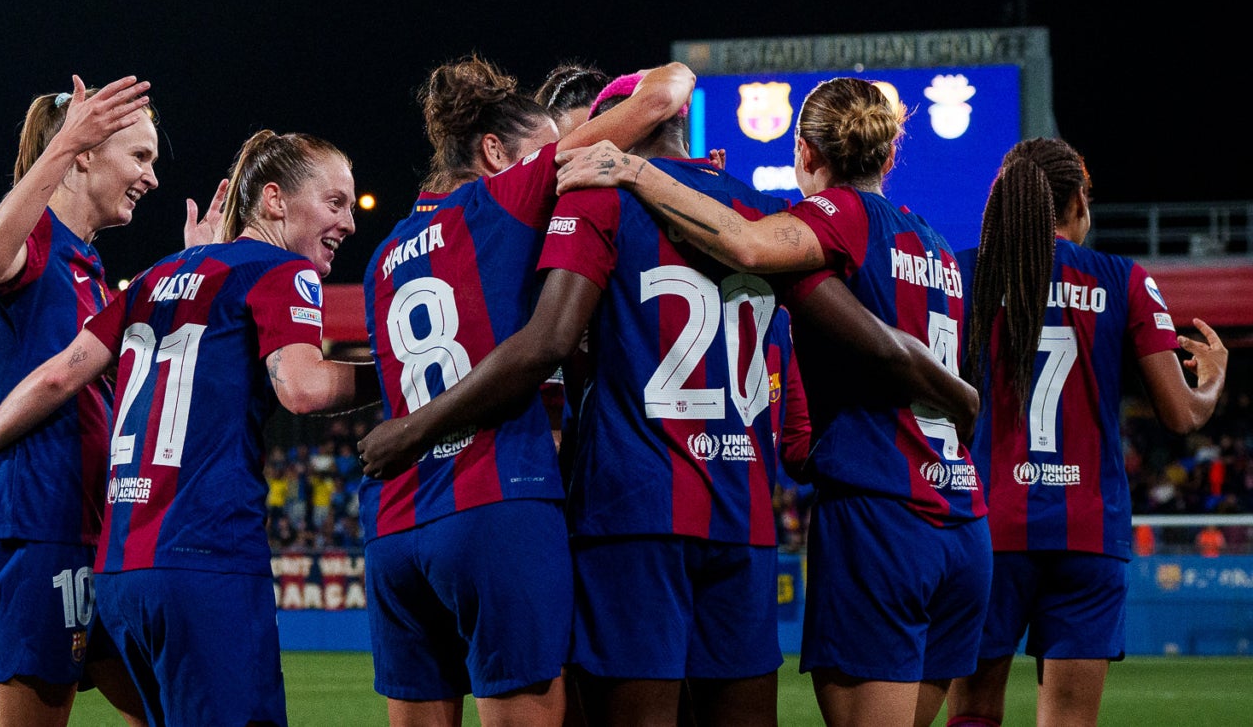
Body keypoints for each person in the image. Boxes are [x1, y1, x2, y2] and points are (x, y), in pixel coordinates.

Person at [369, 70, 973, 727]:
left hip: (634, 509)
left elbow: (551, 342)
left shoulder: (599, 197)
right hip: (743, 515)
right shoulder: (763, 212)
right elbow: (836, 347)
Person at [557, 77, 987, 727]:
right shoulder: (931, 241)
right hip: (950, 513)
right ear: (888, 153)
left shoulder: (818, 219)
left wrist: (633, 169)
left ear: (806, 151)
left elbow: (747, 246)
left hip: (874, 516)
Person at [0, 129, 363, 727]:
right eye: (336, 203)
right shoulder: (283, 270)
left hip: (120, 563)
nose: (348, 221)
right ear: (273, 200)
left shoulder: (148, 280)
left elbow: (60, 373)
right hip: (194, 550)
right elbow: (303, 386)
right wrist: (394, 373)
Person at [352, 57, 693, 727]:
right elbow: (663, 96)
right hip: (494, 502)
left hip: (394, 524)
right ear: (493, 152)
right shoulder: (505, 195)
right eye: (549, 155)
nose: (562, 170)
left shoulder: (383, 254)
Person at [946, 138, 1229, 727]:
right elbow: (1182, 416)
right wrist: (1214, 378)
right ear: (1076, 200)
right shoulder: (1122, 279)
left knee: (973, 713)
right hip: (1088, 533)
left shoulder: (963, 274)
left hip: (988, 526)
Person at [0, 76, 174, 727]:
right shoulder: (38, 246)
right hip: (35, 528)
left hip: (85, 532)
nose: (151, 176)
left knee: (179, 707)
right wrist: (64, 144)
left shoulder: (83, 266)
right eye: (140, 156)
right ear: (83, 152)